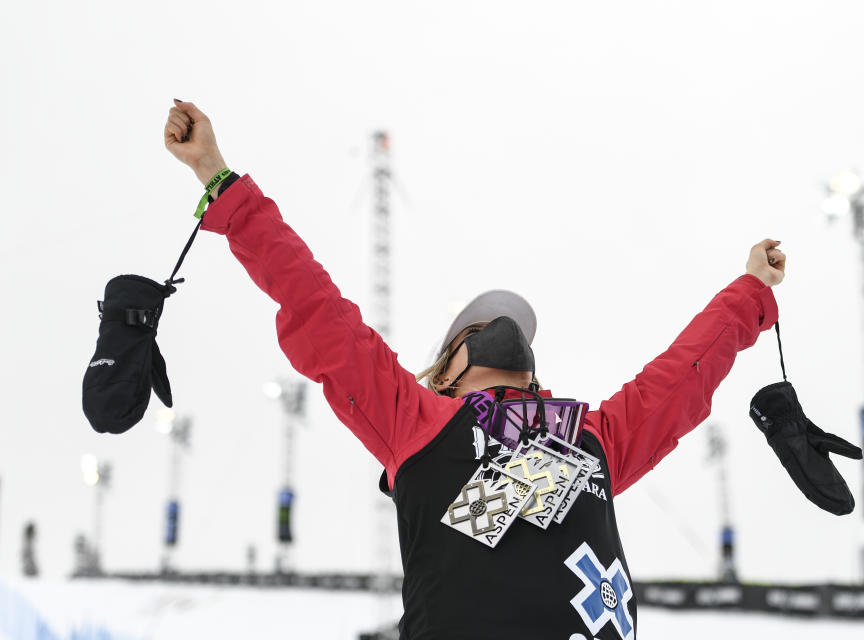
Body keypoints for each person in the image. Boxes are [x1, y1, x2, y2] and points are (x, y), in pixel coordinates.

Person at [164, 100, 785, 640]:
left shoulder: (596, 440)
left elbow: (683, 375)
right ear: (445, 378)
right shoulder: (417, 425)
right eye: (474, 329)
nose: (501, 329)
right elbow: (313, 305)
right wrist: (215, 175)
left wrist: (750, 290)